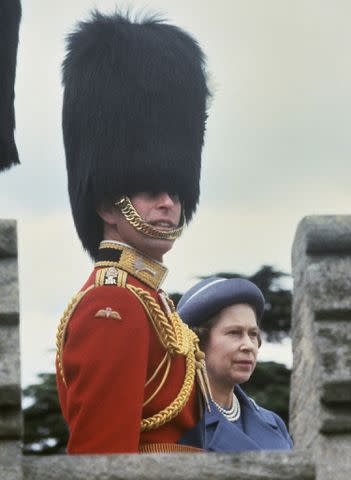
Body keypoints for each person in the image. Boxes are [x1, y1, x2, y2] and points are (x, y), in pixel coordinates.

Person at [55, 10, 211, 454]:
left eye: (176, 191)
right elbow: (103, 456)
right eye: (150, 191)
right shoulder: (113, 303)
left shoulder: (153, 300)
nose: (169, 203)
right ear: (107, 205)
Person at [177, 277, 293, 452]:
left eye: (253, 334)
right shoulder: (179, 425)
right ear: (198, 341)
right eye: (234, 333)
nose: (248, 345)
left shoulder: (273, 423)